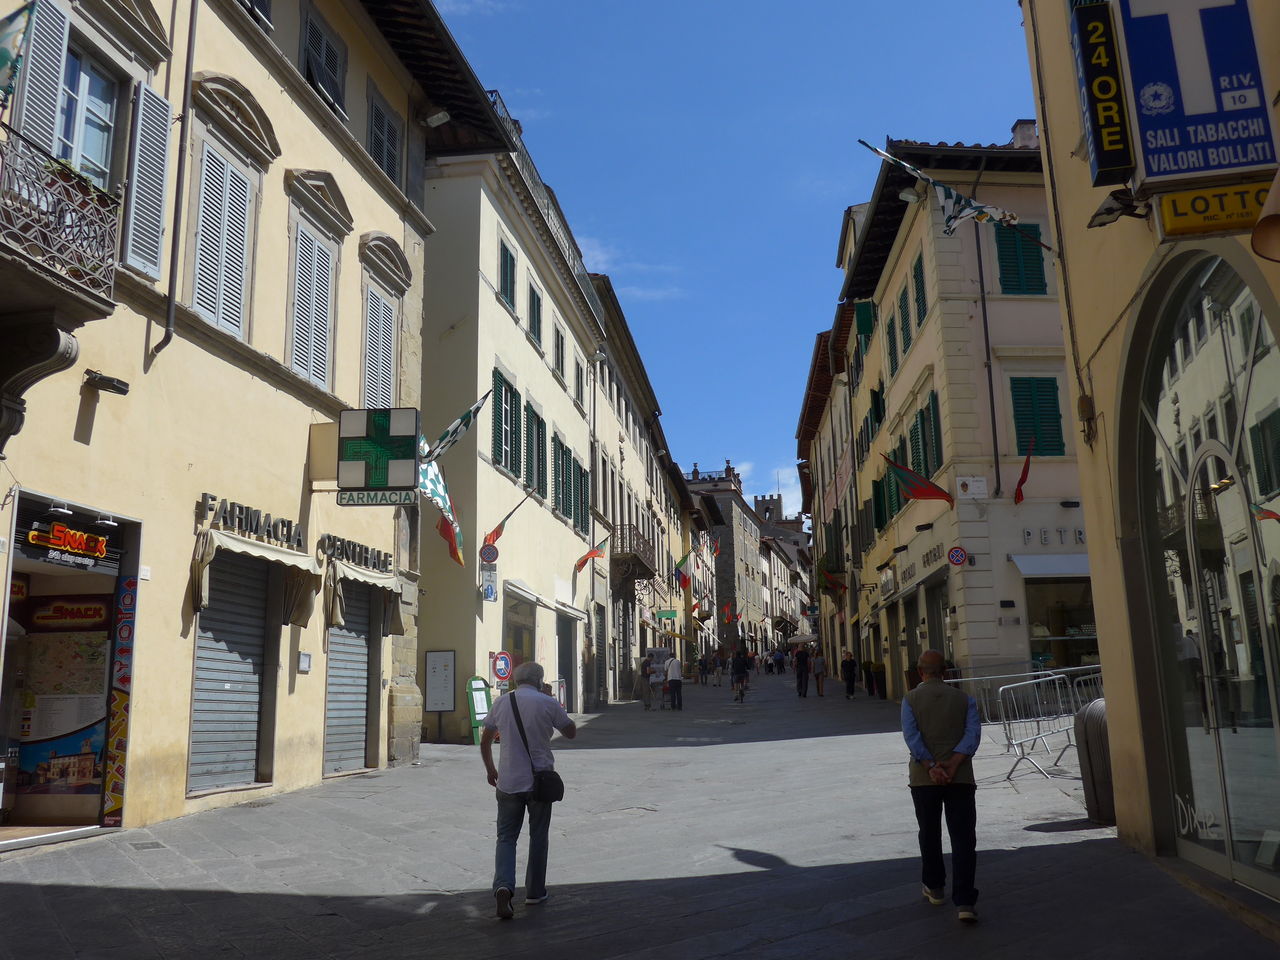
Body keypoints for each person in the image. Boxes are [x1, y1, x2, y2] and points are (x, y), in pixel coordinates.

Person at [480, 660, 577, 919]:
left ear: (516, 680)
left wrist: (490, 769)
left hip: (508, 781)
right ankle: (534, 892)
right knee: (538, 836)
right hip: (539, 782)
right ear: (539, 681)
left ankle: (503, 887)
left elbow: (485, 740)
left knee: (505, 838)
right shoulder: (546, 702)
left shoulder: (501, 702)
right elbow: (571, 732)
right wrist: (552, 700)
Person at [901, 649, 981, 924]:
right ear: (945, 672)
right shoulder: (964, 699)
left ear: (919, 672)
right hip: (960, 777)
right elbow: (973, 734)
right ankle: (965, 902)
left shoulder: (910, 699)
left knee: (929, 833)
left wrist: (931, 766)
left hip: (924, 779)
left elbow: (912, 736)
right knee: (963, 838)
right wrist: (954, 762)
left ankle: (934, 887)